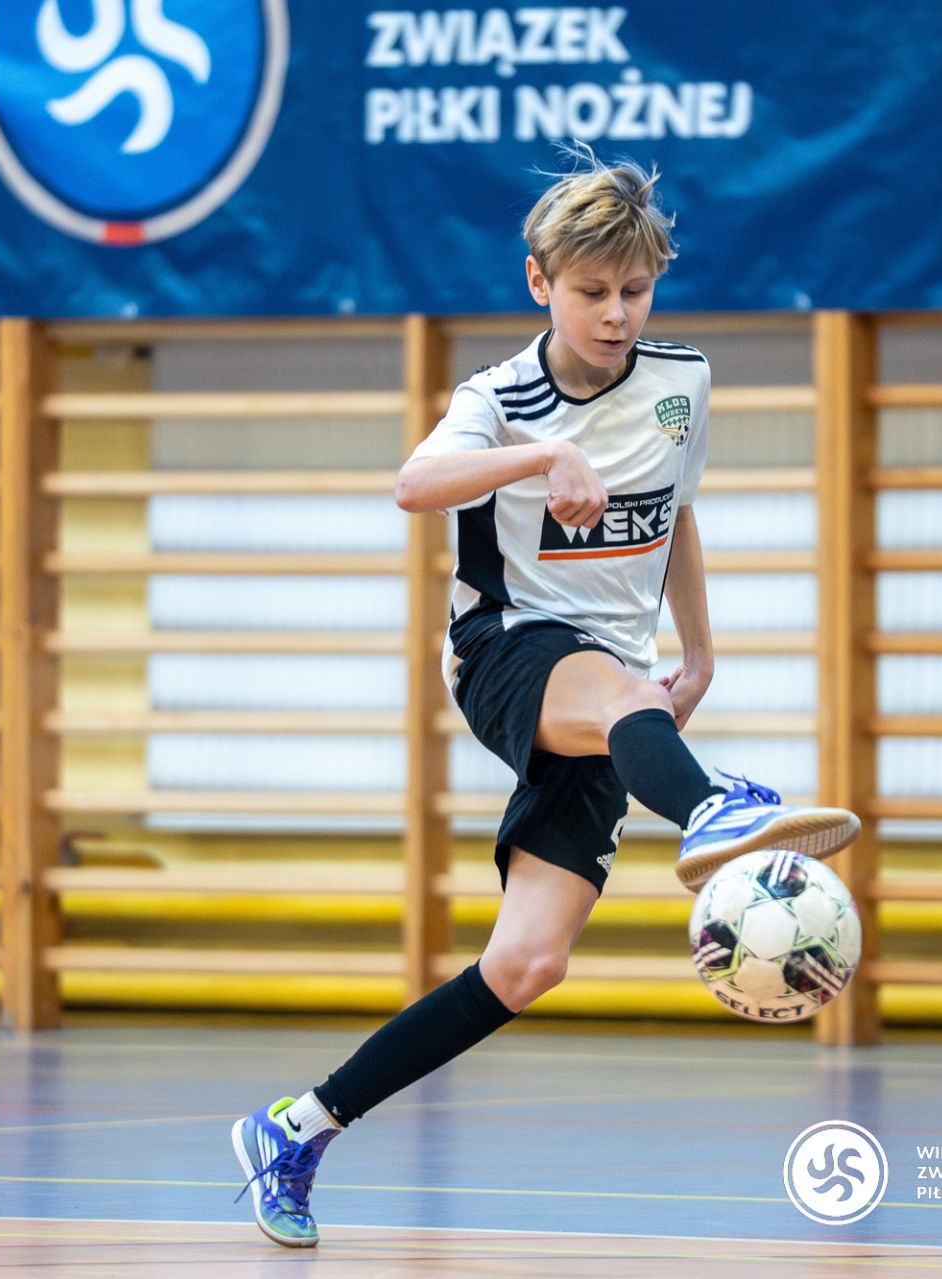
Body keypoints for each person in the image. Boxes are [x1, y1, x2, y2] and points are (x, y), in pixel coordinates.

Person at [230, 150, 859, 1248]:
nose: (616, 314)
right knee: (618, 693)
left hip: (616, 683)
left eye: (635, 291)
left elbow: (676, 512)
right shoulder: (498, 399)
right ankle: (713, 809)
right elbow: (413, 484)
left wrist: (702, 649)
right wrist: (541, 457)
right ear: (540, 283)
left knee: (527, 963)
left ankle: (297, 1126)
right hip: (504, 651)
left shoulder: (683, 383)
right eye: (592, 291)